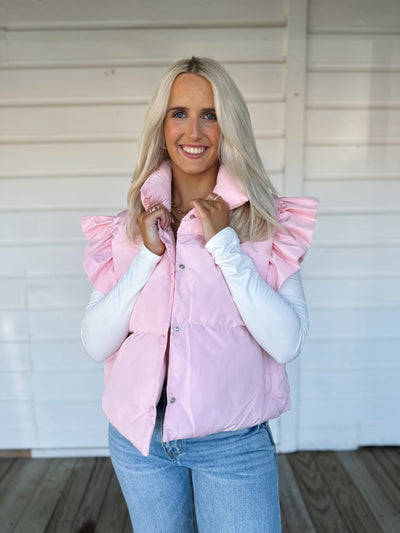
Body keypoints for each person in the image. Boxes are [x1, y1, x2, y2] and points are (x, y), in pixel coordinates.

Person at [81, 56, 317, 533]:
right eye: (179, 113)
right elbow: (95, 342)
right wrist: (147, 256)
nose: (195, 130)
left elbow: (287, 342)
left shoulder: (265, 224)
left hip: (231, 445)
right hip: (140, 441)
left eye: (210, 114)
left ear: (229, 124)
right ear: (161, 126)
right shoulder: (128, 230)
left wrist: (224, 244)